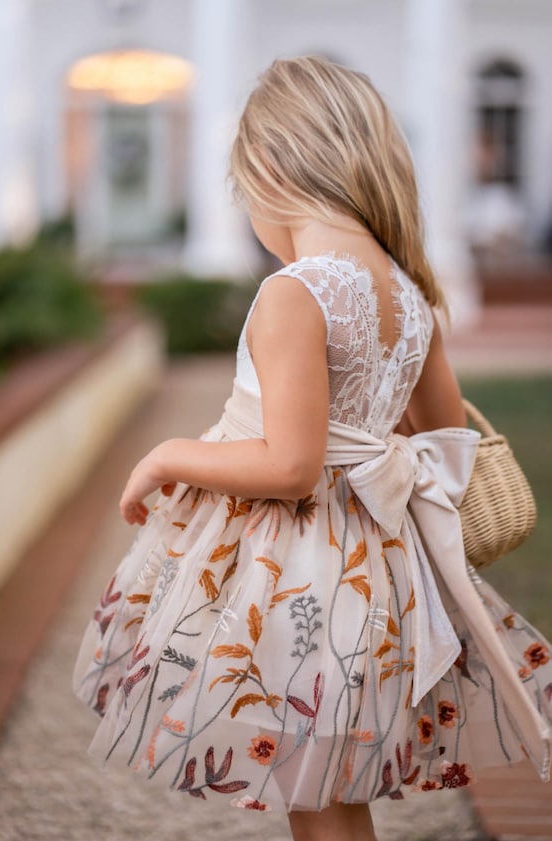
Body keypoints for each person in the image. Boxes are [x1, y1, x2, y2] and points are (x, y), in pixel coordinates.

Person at [73, 56, 552, 841]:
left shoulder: (296, 291)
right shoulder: (408, 289)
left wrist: (166, 454)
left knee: (320, 806)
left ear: (271, 165)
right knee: (328, 797)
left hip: (297, 582)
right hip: (378, 573)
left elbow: (290, 467)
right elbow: (439, 435)